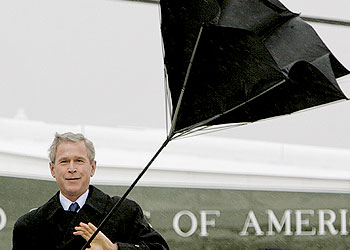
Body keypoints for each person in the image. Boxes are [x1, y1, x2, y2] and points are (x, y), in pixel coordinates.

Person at [12, 132, 169, 250]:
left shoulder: (124, 212)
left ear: (92, 168)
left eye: (79, 161)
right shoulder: (29, 225)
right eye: (64, 161)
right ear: (53, 169)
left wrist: (114, 248)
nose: (72, 169)